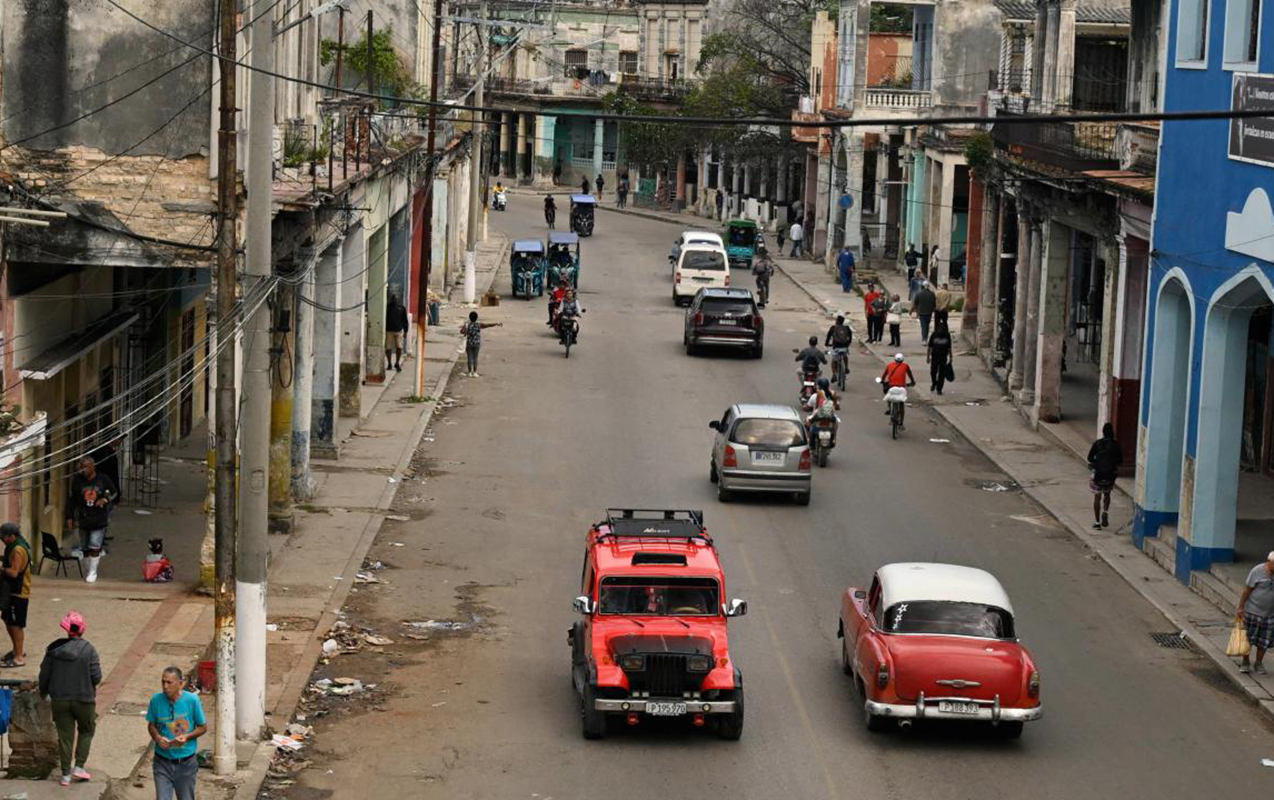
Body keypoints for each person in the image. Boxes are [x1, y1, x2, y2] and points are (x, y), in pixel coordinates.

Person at [40, 611, 101, 786]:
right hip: (84, 699)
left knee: (65, 737)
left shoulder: (53, 650)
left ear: (67, 629)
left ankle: (65, 774)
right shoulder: (89, 649)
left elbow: (44, 675)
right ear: (82, 630)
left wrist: (43, 692)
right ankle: (79, 767)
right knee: (87, 731)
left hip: (59, 700)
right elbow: (96, 677)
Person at [147, 666, 207, 800]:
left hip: (186, 763)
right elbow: (151, 725)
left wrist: (186, 736)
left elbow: (203, 727)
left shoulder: (192, 700)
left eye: (169, 682)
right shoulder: (156, 700)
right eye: (163, 682)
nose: (165, 686)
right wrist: (157, 737)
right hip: (162, 762)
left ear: (180, 683)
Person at [66, 456, 117, 584]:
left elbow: (114, 492)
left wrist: (104, 500)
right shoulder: (77, 480)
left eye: (85, 467)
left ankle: (93, 572)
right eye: (81, 467)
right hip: (83, 518)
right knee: (85, 548)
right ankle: (89, 569)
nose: (82, 470)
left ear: (92, 466)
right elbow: (72, 500)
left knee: (95, 545)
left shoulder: (103, 479)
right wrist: (69, 516)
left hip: (99, 518)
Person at [1237, 553, 1274, 674]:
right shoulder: (1257, 571)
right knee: (1248, 639)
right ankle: (1245, 662)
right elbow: (1247, 590)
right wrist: (1241, 607)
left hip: (1270, 615)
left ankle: (1258, 663)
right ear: (1268, 561)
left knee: (1264, 642)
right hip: (1252, 612)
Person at [1, 523, 31, 668]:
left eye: (4, 537)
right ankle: (16, 650)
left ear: (12, 536)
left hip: (19, 593)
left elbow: (14, 572)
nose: (2, 540)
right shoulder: (13, 546)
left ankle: (19, 657)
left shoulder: (18, 550)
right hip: (11, 592)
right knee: (8, 620)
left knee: (16, 625)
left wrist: (1, 569)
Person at [1086, 423, 1123, 529]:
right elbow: (1120, 461)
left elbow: (1089, 458)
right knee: (1107, 494)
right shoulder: (1116, 445)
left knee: (1097, 496)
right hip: (1110, 475)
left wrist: (1098, 461)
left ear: (1103, 432)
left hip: (1098, 474)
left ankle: (1097, 523)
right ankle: (1105, 511)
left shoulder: (1097, 443)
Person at [459, 311, 502, 378]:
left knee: (469, 358)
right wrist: (496, 323)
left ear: (470, 318)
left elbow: (461, 331)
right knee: (475, 357)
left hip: (469, 343)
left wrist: (466, 330)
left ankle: (470, 372)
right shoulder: (479, 324)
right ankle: (475, 372)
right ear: (477, 318)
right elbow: (488, 325)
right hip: (477, 343)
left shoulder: (467, 324)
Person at [880, 353, 916, 428]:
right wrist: (912, 382)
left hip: (891, 386)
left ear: (894, 359)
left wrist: (882, 381)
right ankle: (901, 423)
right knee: (901, 404)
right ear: (902, 360)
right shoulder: (906, 366)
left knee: (888, 394)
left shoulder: (889, 365)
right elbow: (910, 375)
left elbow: (884, 375)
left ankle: (889, 408)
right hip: (901, 387)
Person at [805, 377, 840, 444]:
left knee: (807, 421)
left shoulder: (818, 394)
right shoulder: (833, 393)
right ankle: (834, 438)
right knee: (837, 423)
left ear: (819, 386)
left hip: (818, 415)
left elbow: (816, 406)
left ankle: (809, 439)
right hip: (831, 416)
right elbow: (837, 406)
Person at [927, 322, 954, 395]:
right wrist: (928, 357)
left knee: (942, 373)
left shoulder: (947, 335)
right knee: (933, 372)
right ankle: (934, 383)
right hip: (934, 356)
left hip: (943, 357)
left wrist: (951, 356)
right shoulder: (934, 335)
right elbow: (929, 346)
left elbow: (949, 347)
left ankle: (939, 388)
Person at [385, 294, 409, 373]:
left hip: (398, 331)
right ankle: (389, 363)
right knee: (388, 348)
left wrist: (405, 331)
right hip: (389, 331)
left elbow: (405, 320)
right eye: (392, 299)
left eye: (395, 299)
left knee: (399, 347)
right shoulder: (387, 308)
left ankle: (397, 363)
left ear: (398, 300)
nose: (394, 300)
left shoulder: (401, 308)